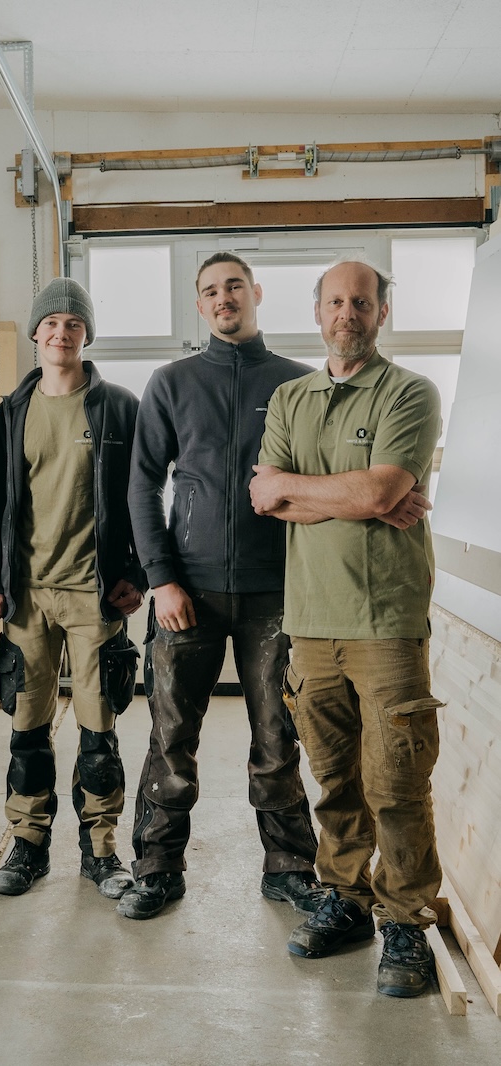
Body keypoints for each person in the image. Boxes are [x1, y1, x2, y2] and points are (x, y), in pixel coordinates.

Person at [249, 258, 443, 998]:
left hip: (386, 623)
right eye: (335, 301)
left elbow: (385, 487)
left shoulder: (409, 393)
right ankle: (349, 900)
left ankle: (405, 920)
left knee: (396, 782)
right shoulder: (291, 396)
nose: (347, 314)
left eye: (361, 302)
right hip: (311, 622)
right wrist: (352, 498)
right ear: (318, 310)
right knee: (333, 780)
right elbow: (264, 497)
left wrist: (354, 493)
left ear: (381, 312)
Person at [120, 253, 321, 921]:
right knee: (171, 737)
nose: (224, 297)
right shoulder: (171, 382)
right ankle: (156, 865)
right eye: (210, 290)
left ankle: (290, 866)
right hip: (190, 594)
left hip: (278, 595)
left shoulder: (298, 384)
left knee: (278, 733)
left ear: (256, 292)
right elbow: (143, 485)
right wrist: (162, 579)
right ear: (200, 305)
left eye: (234, 285)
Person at [0, 277, 144, 899]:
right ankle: (28, 845)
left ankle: (101, 850)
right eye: (51, 323)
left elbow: (144, 494)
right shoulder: (12, 411)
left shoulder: (119, 407)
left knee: (98, 731)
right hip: (26, 597)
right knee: (27, 728)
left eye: (74, 324)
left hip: (94, 593)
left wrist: (140, 573)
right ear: (36, 333)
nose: (61, 332)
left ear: (86, 334)